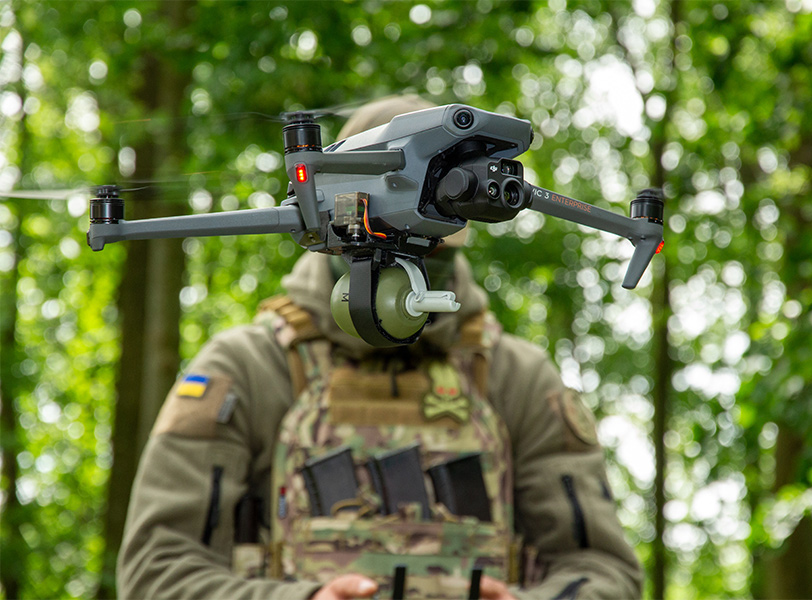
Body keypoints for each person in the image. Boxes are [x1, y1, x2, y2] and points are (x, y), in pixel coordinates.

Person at [117, 96, 643, 599]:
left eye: (429, 247)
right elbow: (155, 572)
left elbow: (603, 571)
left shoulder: (517, 379)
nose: (407, 272)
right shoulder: (248, 369)